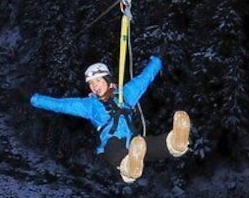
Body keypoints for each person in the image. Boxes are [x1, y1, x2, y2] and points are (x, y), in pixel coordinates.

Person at [30, 56, 190, 183]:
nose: (94, 86)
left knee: (148, 144)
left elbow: (144, 79)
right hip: (111, 143)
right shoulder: (90, 105)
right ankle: (128, 167)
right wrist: (37, 100)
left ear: (107, 80)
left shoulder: (125, 94)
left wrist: (157, 62)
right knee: (115, 145)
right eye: (91, 84)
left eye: (98, 81)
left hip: (133, 142)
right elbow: (62, 105)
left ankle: (175, 143)